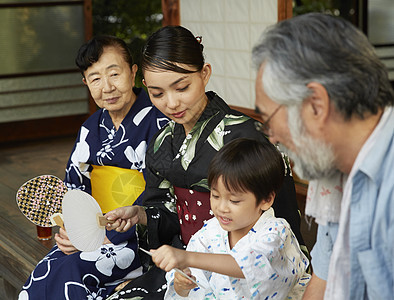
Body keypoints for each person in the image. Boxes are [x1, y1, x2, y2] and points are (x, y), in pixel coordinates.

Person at [104, 25, 305, 299]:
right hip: (188, 263)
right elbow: (166, 213)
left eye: (182, 87)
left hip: (251, 269)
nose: (172, 103)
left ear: (205, 74)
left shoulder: (248, 136)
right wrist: (139, 214)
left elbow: (282, 218)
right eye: (157, 93)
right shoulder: (162, 143)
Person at [251, 12, 393, 300]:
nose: (273, 137)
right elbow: (325, 276)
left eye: (269, 120)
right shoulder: (333, 169)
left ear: (316, 105)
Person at [19, 35, 168, 299]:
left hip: (138, 235)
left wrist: (112, 234)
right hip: (94, 232)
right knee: (43, 276)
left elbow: (163, 192)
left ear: (133, 72)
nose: (107, 87)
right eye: (95, 78)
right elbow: (74, 188)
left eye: (114, 74)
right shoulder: (90, 129)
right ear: (86, 82)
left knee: (72, 274)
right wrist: (71, 230)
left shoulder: (160, 122)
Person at [151, 138, 310, 299]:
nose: (221, 208)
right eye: (215, 195)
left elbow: (249, 265)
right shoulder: (210, 232)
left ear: (266, 200)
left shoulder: (276, 231)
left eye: (234, 201)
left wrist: (186, 257)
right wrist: (182, 285)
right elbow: (194, 285)